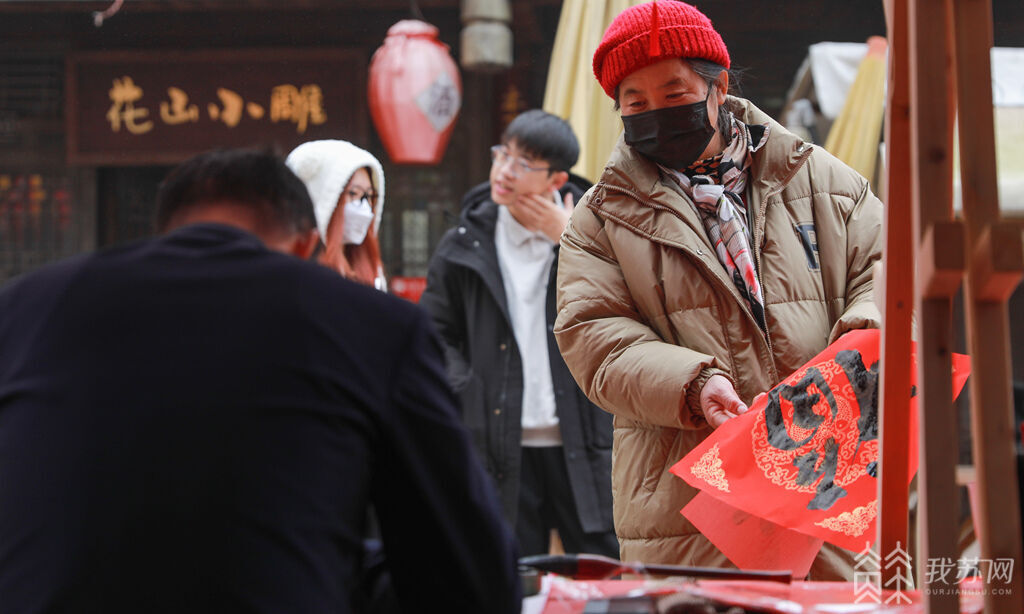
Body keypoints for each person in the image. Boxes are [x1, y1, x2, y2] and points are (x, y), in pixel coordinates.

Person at [0, 149, 520, 614]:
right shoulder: (371, 323)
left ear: (167, 231)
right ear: (306, 246)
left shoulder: (26, 308)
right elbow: (471, 574)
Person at [553, 1, 882, 578]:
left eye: (674, 94)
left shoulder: (825, 181)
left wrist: (858, 347)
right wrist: (694, 382)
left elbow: (886, 270)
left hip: (826, 486)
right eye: (636, 103)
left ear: (718, 86)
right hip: (687, 509)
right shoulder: (598, 219)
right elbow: (595, 339)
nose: (656, 112)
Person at [420, 110, 618, 558]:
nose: (504, 172)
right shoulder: (465, 240)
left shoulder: (596, 232)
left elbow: (629, 307)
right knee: (509, 574)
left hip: (585, 438)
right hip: (497, 441)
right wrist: (465, 388)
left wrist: (570, 242)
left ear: (556, 178)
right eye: (502, 155)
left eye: (523, 164)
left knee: (602, 574)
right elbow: (432, 332)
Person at [286, 139, 387, 290]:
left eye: (370, 196)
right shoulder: (296, 277)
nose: (365, 209)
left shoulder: (374, 275)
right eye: (353, 194)